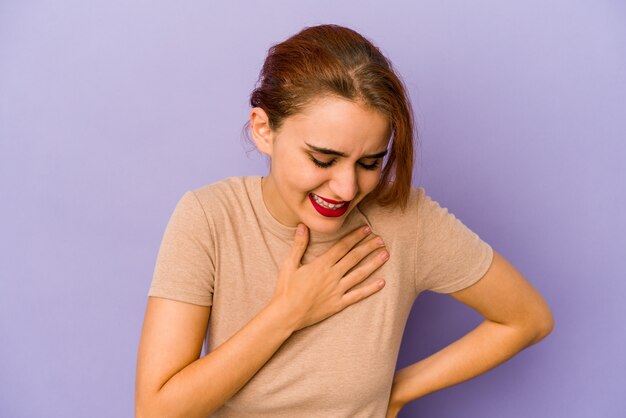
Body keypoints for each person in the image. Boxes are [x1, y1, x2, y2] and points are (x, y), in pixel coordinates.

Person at [135, 24, 554, 418]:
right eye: (323, 159)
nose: (347, 188)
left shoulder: (407, 222)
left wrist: (399, 390)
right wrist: (288, 313)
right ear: (263, 130)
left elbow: (528, 319)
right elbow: (156, 411)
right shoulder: (209, 218)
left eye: (371, 162)